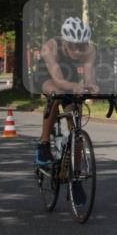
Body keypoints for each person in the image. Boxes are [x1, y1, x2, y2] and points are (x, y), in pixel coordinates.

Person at [34, 18, 98, 194]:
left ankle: (74, 176)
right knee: (56, 94)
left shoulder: (89, 50)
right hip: (47, 76)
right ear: (64, 42)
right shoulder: (51, 47)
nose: (78, 50)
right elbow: (59, 80)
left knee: (75, 127)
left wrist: (91, 87)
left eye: (82, 45)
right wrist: (74, 87)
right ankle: (44, 143)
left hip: (70, 79)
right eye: (73, 46)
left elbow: (89, 77)